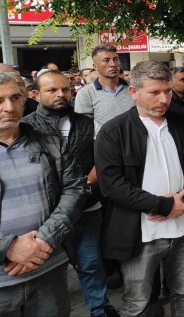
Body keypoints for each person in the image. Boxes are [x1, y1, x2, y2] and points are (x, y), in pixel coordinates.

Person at [95, 61, 184, 317]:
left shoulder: (183, 123)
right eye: (154, 92)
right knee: (137, 302)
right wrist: (163, 205)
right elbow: (111, 185)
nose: (164, 99)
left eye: (167, 91)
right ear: (134, 92)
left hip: (183, 229)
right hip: (141, 235)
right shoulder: (114, 131)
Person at [22, 71, 118, 317]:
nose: (60, 95)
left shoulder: (87, 124)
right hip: (45, 214)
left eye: (65, 90)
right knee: (48, 268)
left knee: (90, 262)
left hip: (87, 207)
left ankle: (98, 307)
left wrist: (84, 187)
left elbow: (103, 160)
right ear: (35, 94)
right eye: (52, 90)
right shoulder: (26, 128)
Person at [0, 73, 85, 316]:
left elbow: (74, 189)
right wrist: (8, 247)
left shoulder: (50, 143)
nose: (9, 107)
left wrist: (44, 240)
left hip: (49, 270)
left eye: (15, 97)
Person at [74, 45, 134, 134]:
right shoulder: (85, 93)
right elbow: (85, 126)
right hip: (104, 144)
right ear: (95, 66)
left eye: (116, 59)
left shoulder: (134, 88)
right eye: (106, 60)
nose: (113, 64)